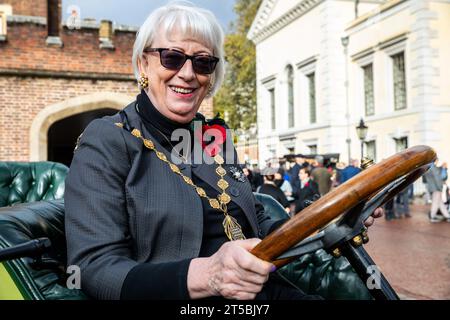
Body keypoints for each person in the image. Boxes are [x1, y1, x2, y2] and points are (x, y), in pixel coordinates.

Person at [64, 2, 383, 300]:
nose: (188, 74)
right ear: (142, 63)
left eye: (203, 62)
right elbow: (92, 267)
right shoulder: (107, 139)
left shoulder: (211, 136)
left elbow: (256, 222)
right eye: (172, 58)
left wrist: (329, 218)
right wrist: (208, 275)